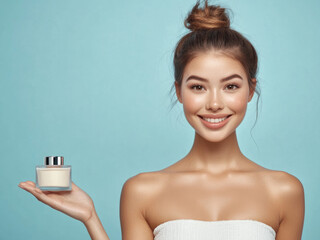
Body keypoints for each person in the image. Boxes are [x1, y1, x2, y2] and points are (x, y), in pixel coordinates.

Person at [18, 0, 305, 239]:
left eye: (231, 86)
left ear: (251, 89)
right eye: (198, 87)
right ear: (179, 91)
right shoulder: (142, 191)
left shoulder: (284, 191)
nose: (215, 103)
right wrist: (91, 218)